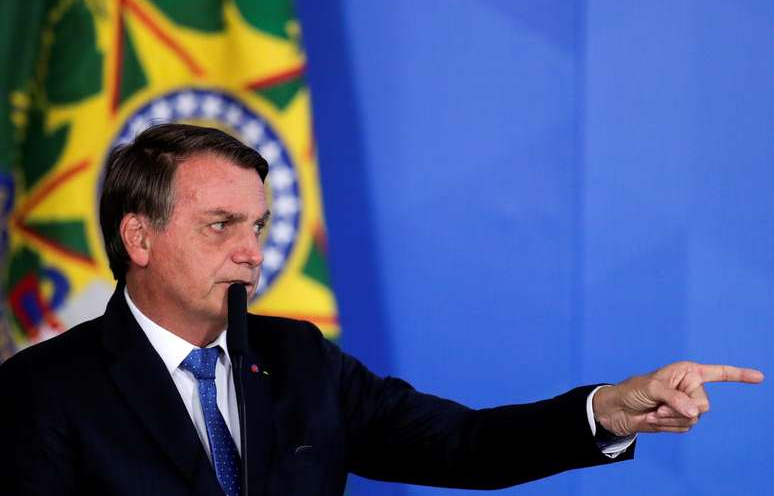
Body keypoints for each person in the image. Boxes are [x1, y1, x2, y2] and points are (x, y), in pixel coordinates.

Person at [0, 124, 763, 496]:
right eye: (220, 226)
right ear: (139, 236)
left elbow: (461, 444)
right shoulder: (43, 390)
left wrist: (606, 412)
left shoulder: (299, 358)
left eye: (258, 226)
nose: (251, 251)